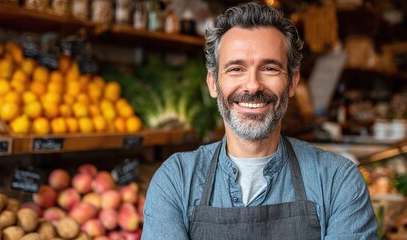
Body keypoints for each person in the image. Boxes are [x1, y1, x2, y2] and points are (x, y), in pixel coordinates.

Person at [141, 2, 379, 239]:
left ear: (293, 82)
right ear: (213, 83)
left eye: (269, 68)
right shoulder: (177, 180)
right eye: (236, 69)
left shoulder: (337, 180)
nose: (253, 85)